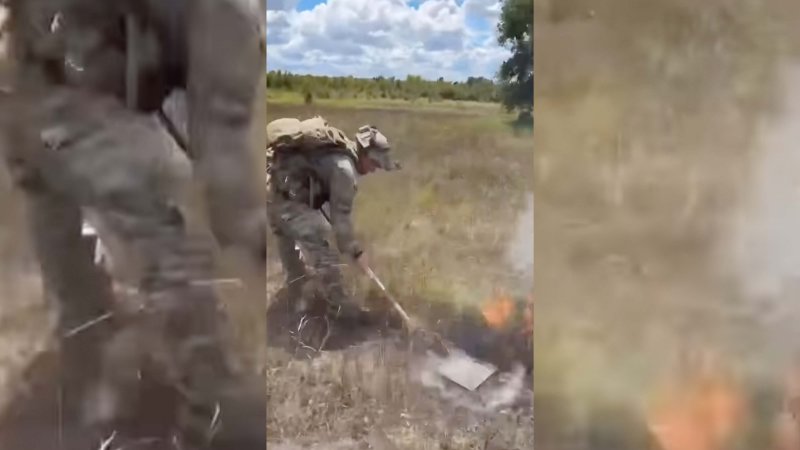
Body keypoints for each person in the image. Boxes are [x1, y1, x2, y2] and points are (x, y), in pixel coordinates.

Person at [0, 0, 266, 448]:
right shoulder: (231, 15)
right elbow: (224, 165)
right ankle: (218, 409)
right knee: (166, 236)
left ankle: (88, 373)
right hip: (54, 87)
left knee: (73, 253)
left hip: (24, 83)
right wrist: (252, 241)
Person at [267, 121, 399, 324]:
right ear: (364, 155)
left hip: (272, 194)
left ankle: (295, 295)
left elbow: (324, 205)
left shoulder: (338, 153)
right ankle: (341, 310)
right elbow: (341, 220)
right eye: (374, 164)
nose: (374, 170)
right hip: (287, 203)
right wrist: (355, 251)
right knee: (324, 253)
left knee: (292, 245)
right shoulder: (345, 170)